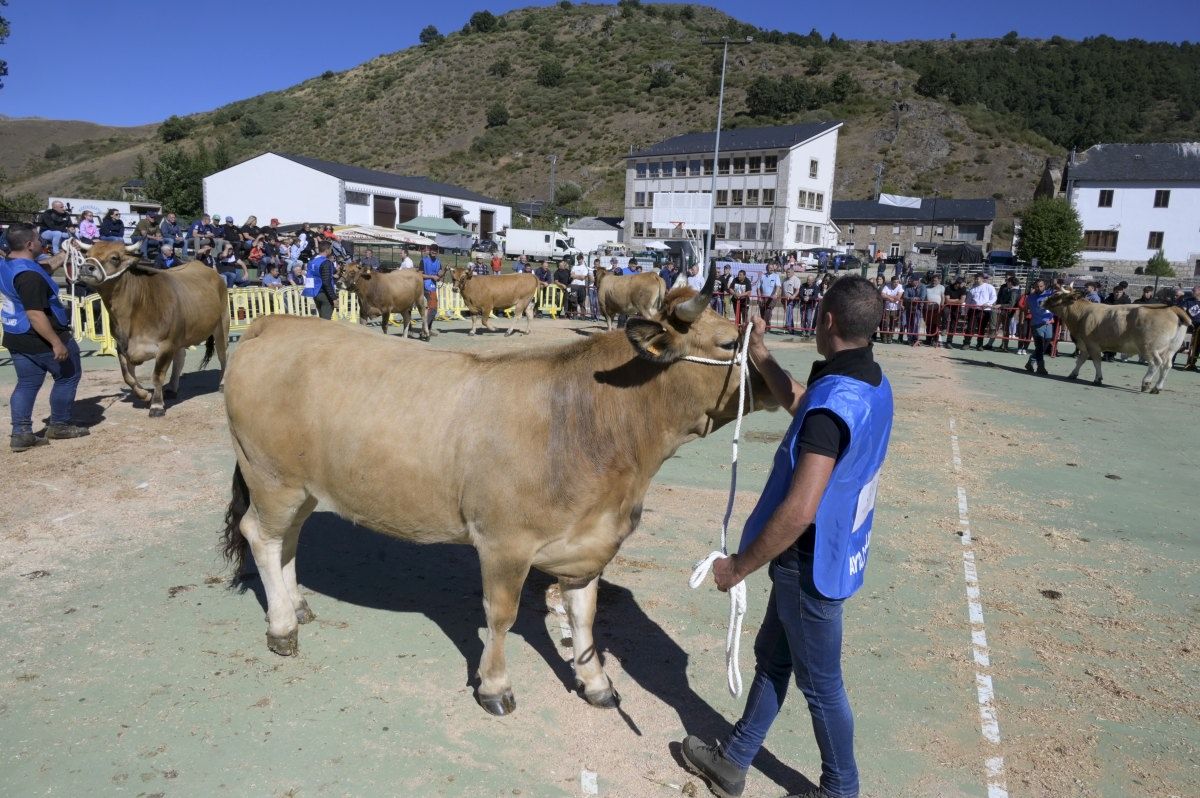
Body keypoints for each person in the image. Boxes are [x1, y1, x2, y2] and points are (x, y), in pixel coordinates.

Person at [680, 275, 893, 798]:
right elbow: (806, 402)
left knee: (821, 688)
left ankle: (840, 789)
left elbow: (799, 511)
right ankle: (733, 760)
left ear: (828, 321)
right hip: (834, 550)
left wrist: (738, 567)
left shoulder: (830, 408)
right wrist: (763, 356)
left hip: (808, 561)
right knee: (773, 659)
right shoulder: (868, 382)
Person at [0, 223, 90, 451]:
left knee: (27, 383)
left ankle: (21, 433)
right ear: (30, 245)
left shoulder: (10, 264)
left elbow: (45, 268)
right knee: (68, 376)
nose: (42, 241)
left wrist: (65, 252)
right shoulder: (29, 277)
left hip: (16, 335)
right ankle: (59, 424)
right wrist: (56, 342)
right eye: (39, 239)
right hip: (40, 337)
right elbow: (35, 314)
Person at [1024, 278, 1054, 376]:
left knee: (1046, 344)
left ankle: (1030, 363)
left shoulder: (1050, 294)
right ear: (1034, 287)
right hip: (1036, 324)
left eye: (1041, 286)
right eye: (1037, 286)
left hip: (1048, 323)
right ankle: (1041, 367)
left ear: (1044, 286)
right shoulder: (1031, 297)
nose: (1039, 288)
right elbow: (1026, 308)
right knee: (1040, 346)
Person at [302, 240, 338, 320]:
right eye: (331, 249)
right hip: (324, 294)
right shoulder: (326, 262)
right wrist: (334, 297)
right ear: (327, 250)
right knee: (325, 322)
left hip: (315, 292)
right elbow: (326, 282)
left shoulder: (312, 261)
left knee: (321, 319)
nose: (331, 251)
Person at [965, 273, 997, 350]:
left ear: (982, 278)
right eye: (975, 278)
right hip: (973, 310)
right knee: (970, 328)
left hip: (985, 311)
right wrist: (966, 310)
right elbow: (968, 301)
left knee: (981, 328)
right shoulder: (972, 289)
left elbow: (994, 297)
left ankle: (979, 344)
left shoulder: (989, 287)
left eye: (977, 278)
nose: (976, 279)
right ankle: (966, 343)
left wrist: (988, 304)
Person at [1178, 285, 1200, 370]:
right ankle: (1172, 361)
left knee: (1196, 347)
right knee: (1185, 345)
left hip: (1199, 329)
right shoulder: (1188, 301)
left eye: (1194, 290)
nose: (1192, 292)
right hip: (1188, 326)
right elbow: (1182, 311)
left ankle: (1192, 363)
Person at [421, 246, 442, 334]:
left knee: (432, 309)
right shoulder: (423, 260)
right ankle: (424, 330)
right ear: (430, 251)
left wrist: (442, 273)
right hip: (425, 286)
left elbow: (439, 272)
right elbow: (420, 275)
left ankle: (428, 329)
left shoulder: (438, 262)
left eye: (435, 251)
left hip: (432, 287)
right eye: (432, 250)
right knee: (433, 309)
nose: (434, 252)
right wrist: (432, 276)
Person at [902, 275, 926, 346]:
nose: (911, 282)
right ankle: (909, 338)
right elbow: (905, 297)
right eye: (911, 281)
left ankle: (915, 338)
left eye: (913, 281)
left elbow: (922, 297)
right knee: (909, 323)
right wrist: (912, 299)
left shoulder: (922, 287)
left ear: (917, 281)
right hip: (909, 307)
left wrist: (915, 299)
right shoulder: (907, 287)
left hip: (918, 308)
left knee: (916, 323)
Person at [923, 274, 945, 347]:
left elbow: (943, 298)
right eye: (932, 280)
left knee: (936, 325)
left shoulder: (942, 287)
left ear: (939, 280)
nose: (933, 281)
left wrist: (941, 307)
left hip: (937, 309)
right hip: (928, 309)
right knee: (928, 324)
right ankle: (928, 339)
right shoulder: (926, 287)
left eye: (935, 280)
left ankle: (935, 339)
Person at [880, 276, 903, 343]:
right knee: (885, 324)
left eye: (897, 282)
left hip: (895, 308)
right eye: (894, 282)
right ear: (891, 282)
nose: (896, 283)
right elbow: (882, 295)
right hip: (886, 308)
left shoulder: (900, 286)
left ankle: (890, 337)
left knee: (893, 324)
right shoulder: (887, 286)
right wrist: (890, 298)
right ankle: (884, 338)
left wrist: (887, 297)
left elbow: (898, 297)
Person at [944, 277, 966, 347]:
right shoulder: (948, 288)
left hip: (956, 308)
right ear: (957, 284)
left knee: (953, 324)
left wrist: (952, 301)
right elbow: (947, 300)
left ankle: (949, 341)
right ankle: (944, 328)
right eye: (962, 284)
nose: (963, 285)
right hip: (948, 306)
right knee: (945, 313)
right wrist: (957, 300)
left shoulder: (963, 288)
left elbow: (962, 301)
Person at [758, 264, 782, 332]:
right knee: (762, 313)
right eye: (769, 268)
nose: (771, 269)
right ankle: (765, 326)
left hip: (771, 298)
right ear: (767, 269)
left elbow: (778, 286)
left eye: (772, 268)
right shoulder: (762, 276)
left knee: (767, 312)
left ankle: (766, 327)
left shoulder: (776, 276)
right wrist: (759, 297)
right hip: (763, 297)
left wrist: (776, 294)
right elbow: (758, 288)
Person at [782, 267, 802, 334]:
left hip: (792, 299)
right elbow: (783, 290)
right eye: (787, 272)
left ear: (793, 273)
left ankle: (788, 324)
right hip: (785, 299)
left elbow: (797, 290)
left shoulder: (796, 279)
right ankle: (791, 329)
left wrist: (793, 296)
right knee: (788, 312)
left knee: (789, 311)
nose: (787, 274)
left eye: (789, 272)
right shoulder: (785, 280)